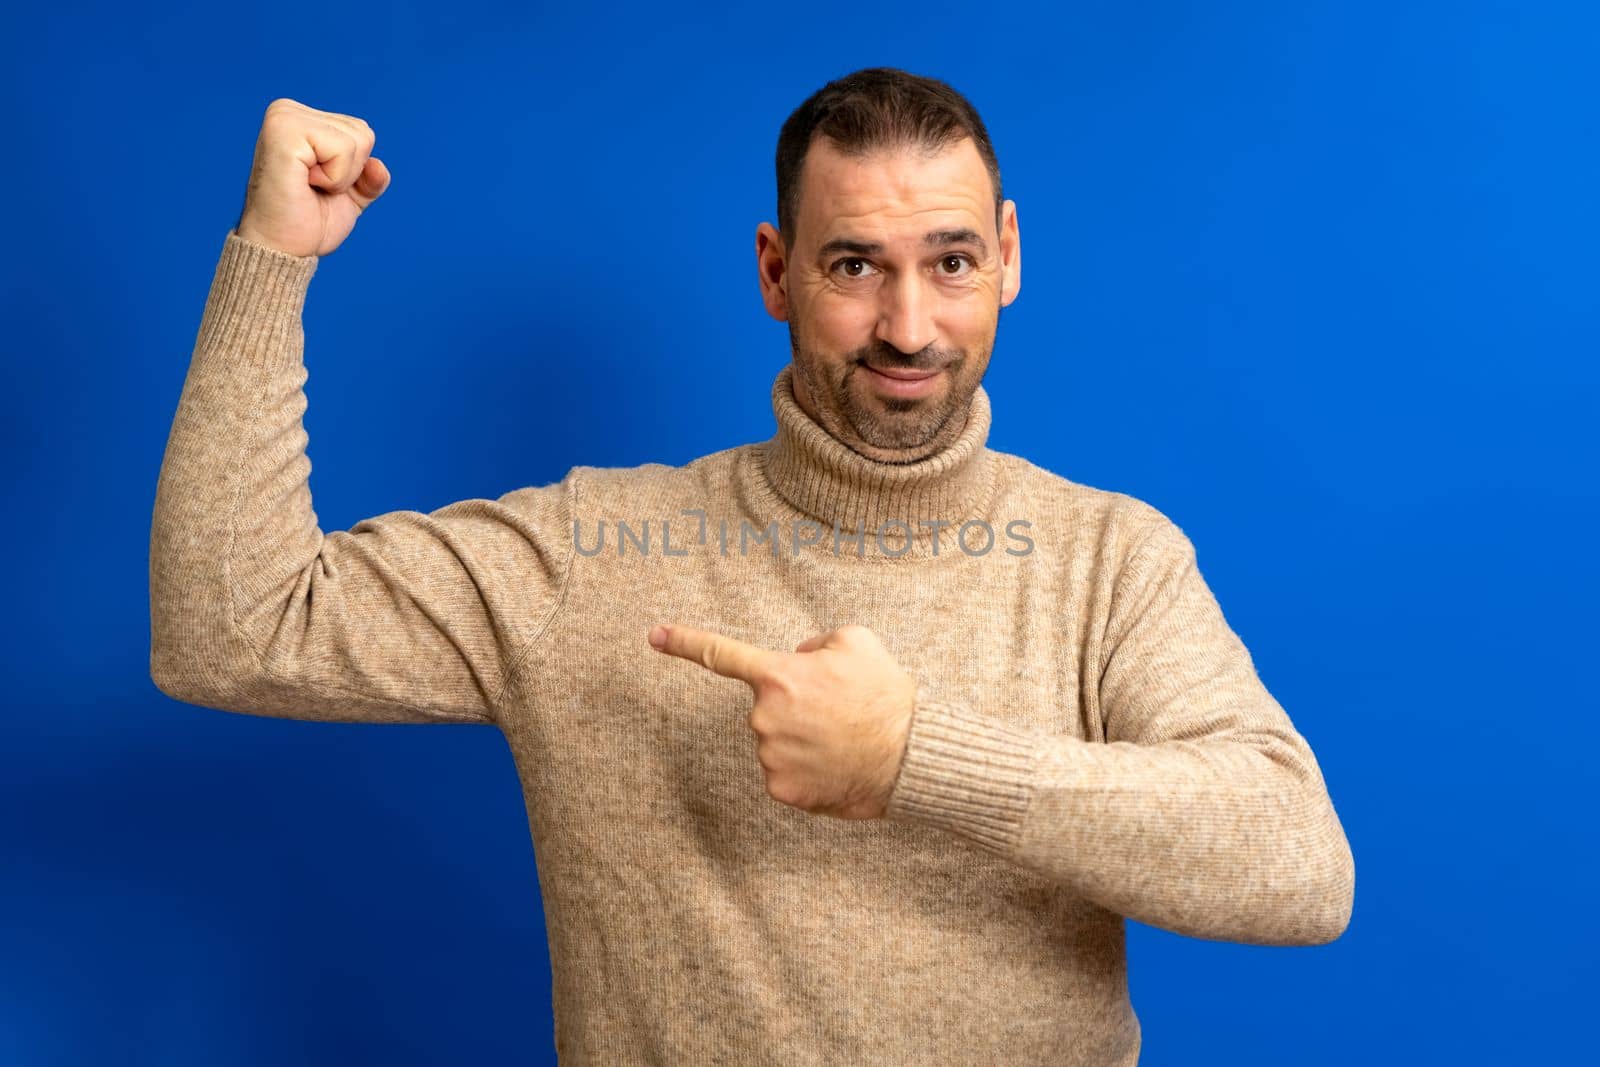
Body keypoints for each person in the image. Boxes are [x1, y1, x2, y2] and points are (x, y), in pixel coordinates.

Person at [150, 66, 1354, 1065]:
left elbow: (1299, 867)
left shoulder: (1108, 558)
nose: (909, 326)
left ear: (1007, 255)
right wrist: (274, 258)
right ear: (776, 270)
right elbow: (232, 624)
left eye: (948, 261)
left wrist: (915, 759)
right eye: (852, 267)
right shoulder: (591, 552)